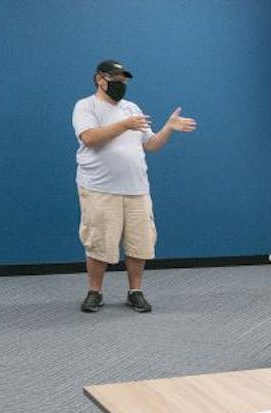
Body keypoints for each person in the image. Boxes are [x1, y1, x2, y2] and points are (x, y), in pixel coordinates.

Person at [73, 59, 197, 314]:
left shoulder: (132, 109)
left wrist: (169, 128)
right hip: (100, 188)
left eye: (124, 81)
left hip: (137, 189)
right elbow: (90, 138)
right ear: (100, 79)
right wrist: (124, 125)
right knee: (99, 243)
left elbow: (150, 144)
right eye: (116, 79)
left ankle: (135, 292)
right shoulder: (86, 106)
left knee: (139, 243)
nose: (121, 84)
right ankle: (94, 292)